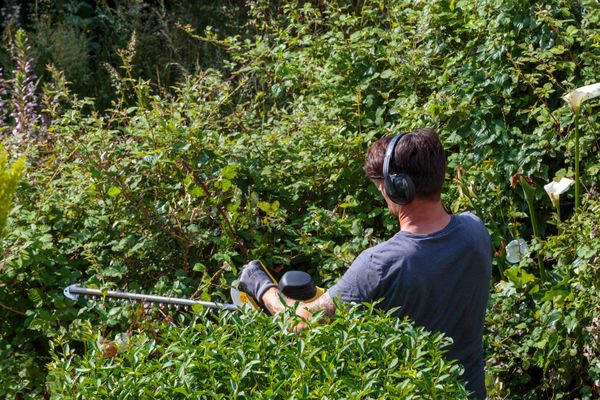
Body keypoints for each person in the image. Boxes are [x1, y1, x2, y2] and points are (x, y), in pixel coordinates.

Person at [239, 128, 493, 399]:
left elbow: (299, 324)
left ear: (397, 187)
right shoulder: (475, 230)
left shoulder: (380, 265)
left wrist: (262, 287)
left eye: (380, 186)